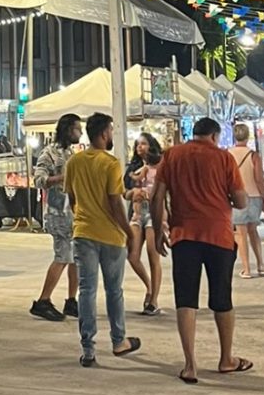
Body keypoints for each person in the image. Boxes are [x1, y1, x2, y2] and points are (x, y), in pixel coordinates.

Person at [151, 116, 251, 384]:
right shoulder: (224, 158)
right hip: (218, 236)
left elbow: (157, 195)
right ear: (215, 136)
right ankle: (226, 359)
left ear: (193, 133)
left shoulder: (172, 155)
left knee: (186, 299)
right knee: (222, 298)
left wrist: (160, 228)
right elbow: (241, 201)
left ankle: (190, 364)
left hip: (183, 236)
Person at [64, 113, 140, 367]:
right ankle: (119, 341)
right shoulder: (111, 163)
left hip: (83, 233)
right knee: (114, 290)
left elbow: (72, 199)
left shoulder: (74, 162)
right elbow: (115, 202)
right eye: (110, 130)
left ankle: (88, 349)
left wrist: (84, 218)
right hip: (110, 235)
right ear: (104, 133)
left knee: (86, 290)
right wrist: (129, 231)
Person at [29, 112, 80, 323]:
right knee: (62, 257)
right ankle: (43, 300)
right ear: (68, 130)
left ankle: (71, 300)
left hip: (72, 213)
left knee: (75, 257)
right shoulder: (49, 153)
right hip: (58, 213)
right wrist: (61, 178)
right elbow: (38, 179)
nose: (80, 132)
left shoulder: (71, 153)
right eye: (77, 128)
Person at [123, 133, 164, 314]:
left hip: (155, 212)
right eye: (138, 144)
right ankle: (149, 285)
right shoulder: (133, 168)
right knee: (132, 255)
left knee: (152, 254)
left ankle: (153, 300)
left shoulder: (161, 165)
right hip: (137, 212)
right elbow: (123, 192)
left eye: (144, 143)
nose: (140, 147)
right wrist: (132, 193)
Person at [228, 123, 264, 280]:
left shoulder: (228, 154)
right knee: (253, 231)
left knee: (240, 233)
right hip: (254, 196)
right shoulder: (254, 155)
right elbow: (259, 179)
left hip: (236, 197)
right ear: (247, 137)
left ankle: (246, 269)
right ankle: (261, 264)